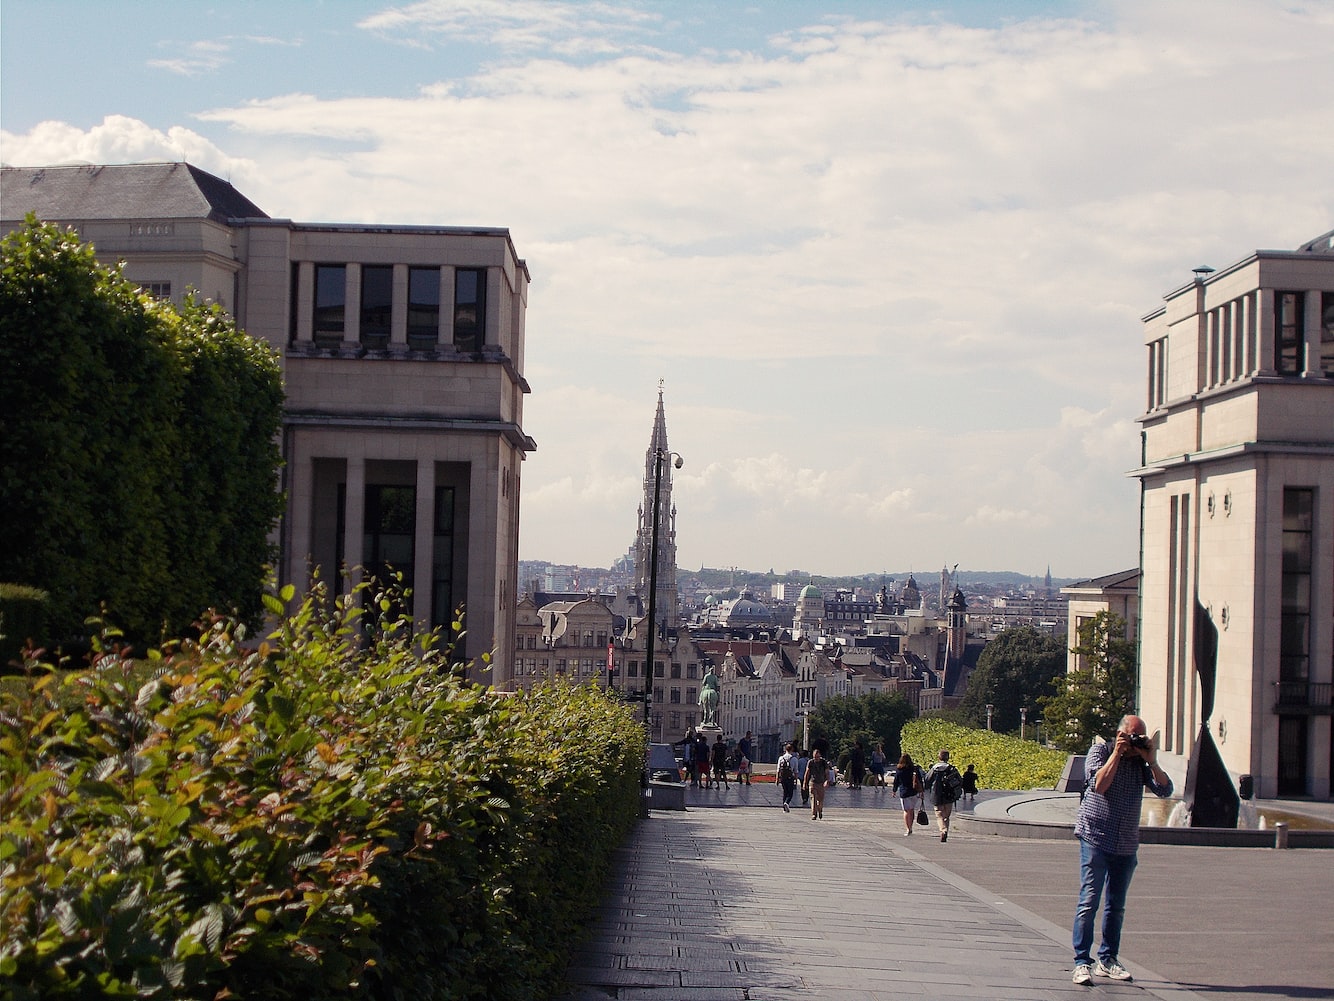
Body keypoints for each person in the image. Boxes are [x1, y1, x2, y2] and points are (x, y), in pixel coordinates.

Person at [1071, 715, 1173, 986]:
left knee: (1116, 905)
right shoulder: (1101, 751)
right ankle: (1082, 962)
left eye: (1139, 736)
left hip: (1125, 842)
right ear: (1119, 734)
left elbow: (1165, 790)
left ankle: (1108, 959)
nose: (1133, 741)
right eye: (1131, 735)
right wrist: (1116, 753)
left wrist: (1151, 759)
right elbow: (1099, 785)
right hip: (1095, 836)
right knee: (1090, 899)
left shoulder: (1141, 763)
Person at [923, 749, 961, 842]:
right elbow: (959, 780)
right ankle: (946, 830)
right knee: (946, 816)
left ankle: (943, 831)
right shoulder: (952, 768)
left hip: (936, 794)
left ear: (939, 757)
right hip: (949, 794)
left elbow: (927, 780)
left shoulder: (934, 768)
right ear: (948, 757)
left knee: (939, 815)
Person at [892, 753, 923, 835]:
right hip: (914, 791)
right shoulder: (914, 769)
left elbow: (896, 781)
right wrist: (921, 791)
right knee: (911, 810)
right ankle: (911, 827)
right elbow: (919, 780)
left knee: (906, 811)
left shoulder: (899, 769)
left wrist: (894, 790)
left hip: (904, 792)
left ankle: (907, 828)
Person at [802, 747, 831, 819]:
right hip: (813, 782)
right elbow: (807, 773)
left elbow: (827, 772)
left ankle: (820, 810)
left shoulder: (823, 762)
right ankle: (814, 814)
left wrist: (827, 780)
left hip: (821, 783)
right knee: (813, 798)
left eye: (817, 757)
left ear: (820, 756)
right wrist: (805, 783)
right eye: (815, 757)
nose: (816, 758)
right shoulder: (811, 762)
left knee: (820, 800)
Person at [776, 741, 798, 812]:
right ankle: (786, 803)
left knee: (785, 792)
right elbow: (796, 771)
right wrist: (796, 780)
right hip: (790, 777)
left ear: (785, 749)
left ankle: (784, 807)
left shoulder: (781, 758)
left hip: (783, 777)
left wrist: (777, 779)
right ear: (792, 750)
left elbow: (778, 769)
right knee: (790, 793)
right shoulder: (794, 759)